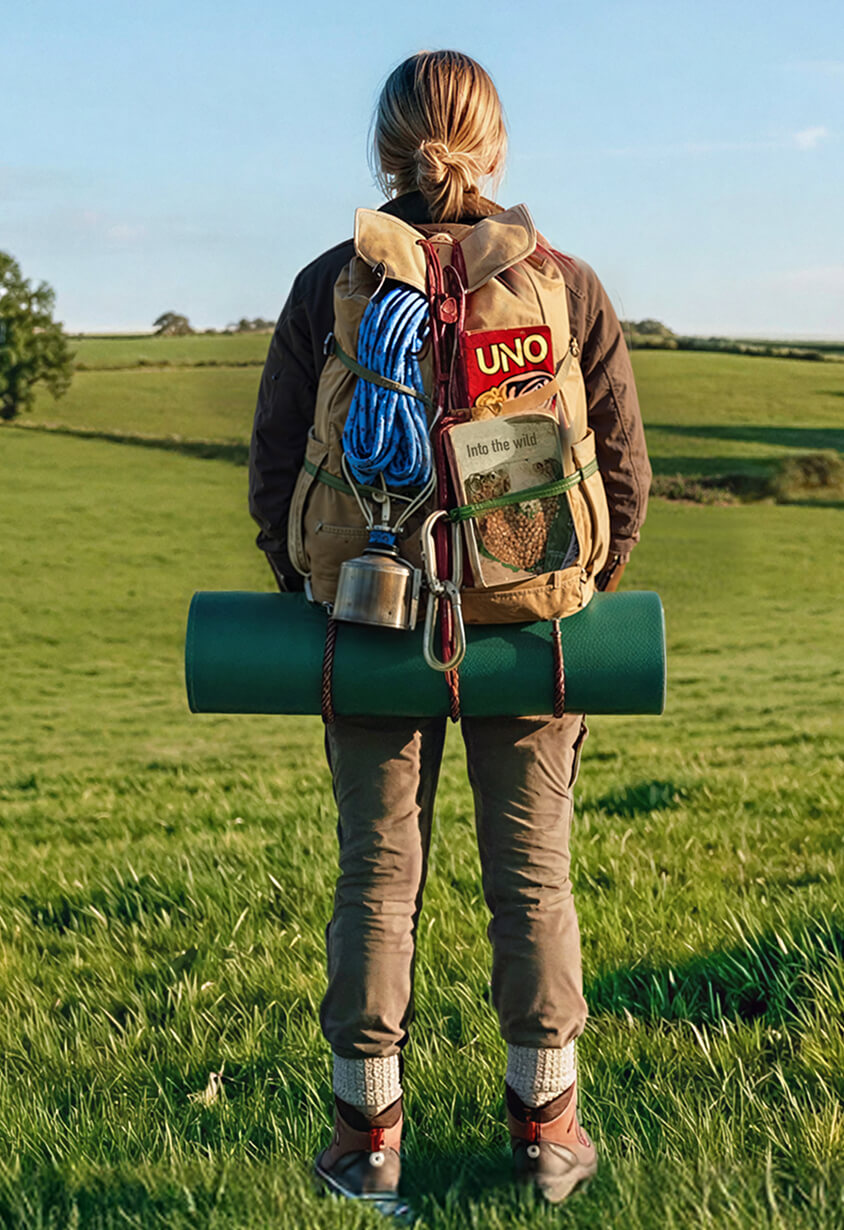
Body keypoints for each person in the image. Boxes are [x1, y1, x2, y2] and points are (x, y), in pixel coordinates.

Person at [249, 49, 651, 1210]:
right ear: (499, 148)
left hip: (370, 616)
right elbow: (619, 473)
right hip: (527, 630)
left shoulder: (334, 279)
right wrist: (558, 595)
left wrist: (316, 588)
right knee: (533, 882)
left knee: (376, 882)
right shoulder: (562, 282)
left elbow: (279, 461)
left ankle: (365, 1143)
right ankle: (546, 1133)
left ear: (385, 152)